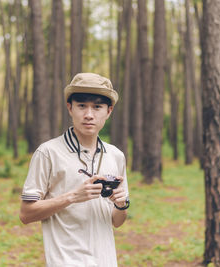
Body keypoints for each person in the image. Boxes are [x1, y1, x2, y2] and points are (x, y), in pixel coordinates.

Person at [19, 73, 130, 267]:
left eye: (97, 107)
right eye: (82, 106)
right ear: (70, 108)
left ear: (109, 111)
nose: (89, 114)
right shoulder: (48, 153)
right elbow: (26, 214)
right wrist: (72, 196)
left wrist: (121, 205)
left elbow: (117, 221)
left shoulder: (116, 156)